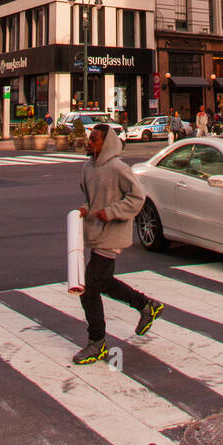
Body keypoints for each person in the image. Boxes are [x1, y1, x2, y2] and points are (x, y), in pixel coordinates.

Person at [73, 124, 164, 365]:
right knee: (103, 282)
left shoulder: (117, 168)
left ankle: (97, 342)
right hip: (94, 232)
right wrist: (85, 208)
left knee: (88, 289)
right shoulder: (87, 168)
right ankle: (146, 305)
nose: (89, 142)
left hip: (112, 233)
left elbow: (137, 196)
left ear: (107, 143)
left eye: (94, 139)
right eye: (89, 138)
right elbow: (89, 198)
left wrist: (111, 212)